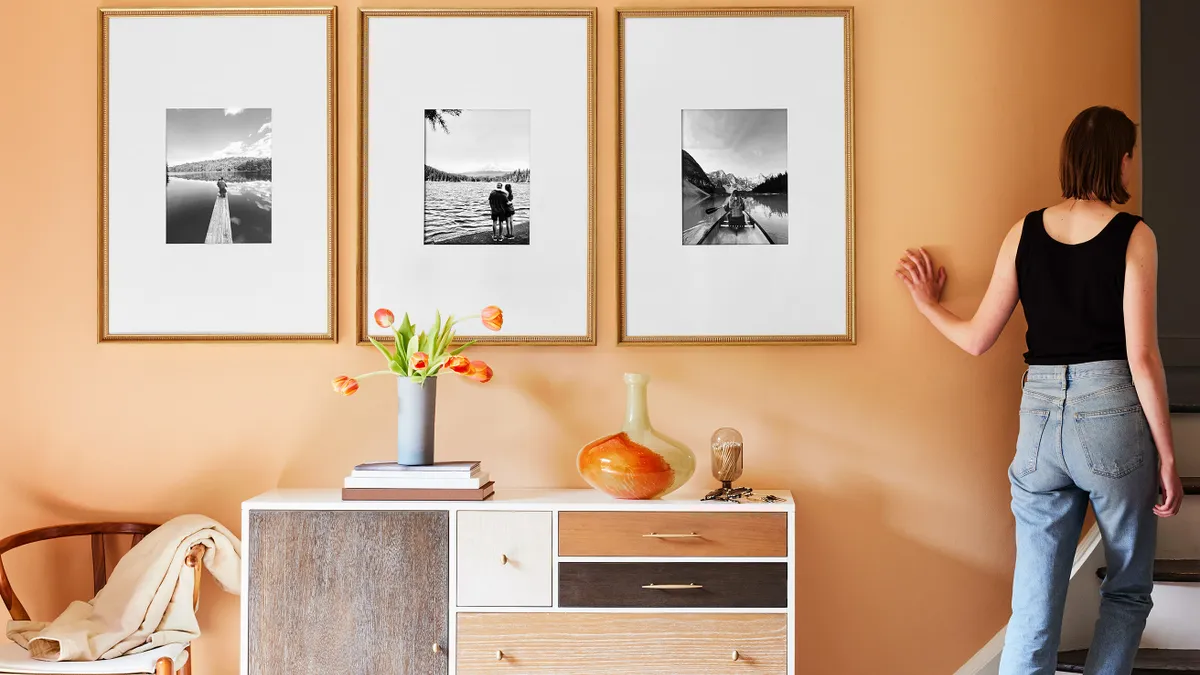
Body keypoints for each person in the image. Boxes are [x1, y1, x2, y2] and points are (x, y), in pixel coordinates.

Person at [895, 106, 1183, 675]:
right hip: (1112, 414)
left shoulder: (1023, 231)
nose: (1134, 165)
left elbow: (978, 338)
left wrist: (927, 304)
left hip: (1040, 422)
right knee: (1125, 589)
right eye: (1132, 155)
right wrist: (1168, 457)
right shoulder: (1135, 236)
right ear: (1119, 159)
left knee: (1033, 604)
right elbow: (1142, 358)